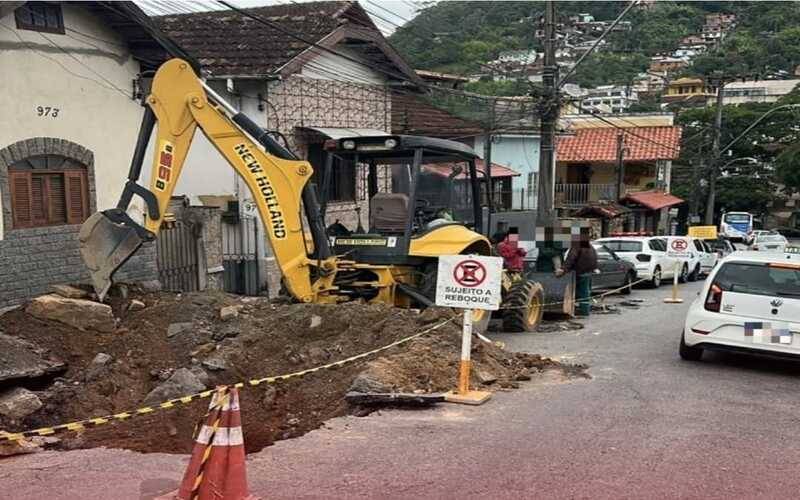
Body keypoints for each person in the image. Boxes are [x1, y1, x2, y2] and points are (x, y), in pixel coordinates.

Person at [555, 228, 598, 316]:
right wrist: (594, 268)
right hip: (588, 272)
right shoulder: (589, 245)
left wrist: (563, 269)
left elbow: (571, 258)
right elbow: (594, 258)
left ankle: (582, 311)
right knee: (586, 292)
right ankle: (585, 309)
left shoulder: (577, 245)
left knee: (580, 292)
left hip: (580, 272)